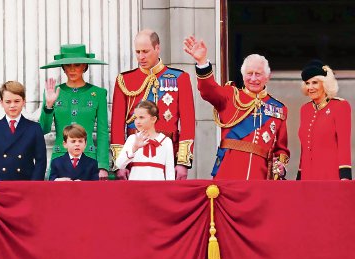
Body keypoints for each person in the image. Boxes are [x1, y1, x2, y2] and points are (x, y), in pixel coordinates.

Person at [183, 36, 289, 180]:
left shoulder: (278, 109)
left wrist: (281, 166)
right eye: (249, 74)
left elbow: (281, 149)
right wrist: (202, 62)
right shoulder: (230, 96)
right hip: (229, 172)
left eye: (258, 74)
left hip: (260, 177)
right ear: (242, 75)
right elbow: (209, 90)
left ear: (267, 76)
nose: (253, 79)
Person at [111, 29, 195, 180]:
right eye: (137, 52)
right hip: (134, 154)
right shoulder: (125, 80)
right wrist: (119, 165)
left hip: (167, 152)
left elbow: (188, 122)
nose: (141, 57)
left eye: (145, 51)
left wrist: (183, 162)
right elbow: (117, 125)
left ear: (157, 48)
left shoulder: (180, 78)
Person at [39, 44, 109, 180]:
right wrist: (48, 105)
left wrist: (103, 166)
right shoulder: (54, 92)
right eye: (67, 65)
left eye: (76, 65)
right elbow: (43, 129)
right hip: (60, 159)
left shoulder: (98, 94)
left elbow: (102, 132)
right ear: (63, 68)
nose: (72, 69)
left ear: (84, 66)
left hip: (88, 159)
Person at [297, 60, 352, 180]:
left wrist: (345, 176)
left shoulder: (340, 106)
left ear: (325, 84)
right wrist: (299, 175)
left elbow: (344, 144)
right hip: (307, 176)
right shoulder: (305, 109)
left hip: (330, 176)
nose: (310, 87)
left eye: (315, 83)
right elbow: (304, 148)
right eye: (307, 83)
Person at [115, 101, 175, 180]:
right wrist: (134, 148)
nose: (137, 121)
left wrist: (169, 191)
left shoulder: (166, 141)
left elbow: (170, 172)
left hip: (158, 189)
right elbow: (119, 164)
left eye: (141, 117)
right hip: (135, 188)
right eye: (135, 117)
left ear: (153, 119)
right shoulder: (132, 139)